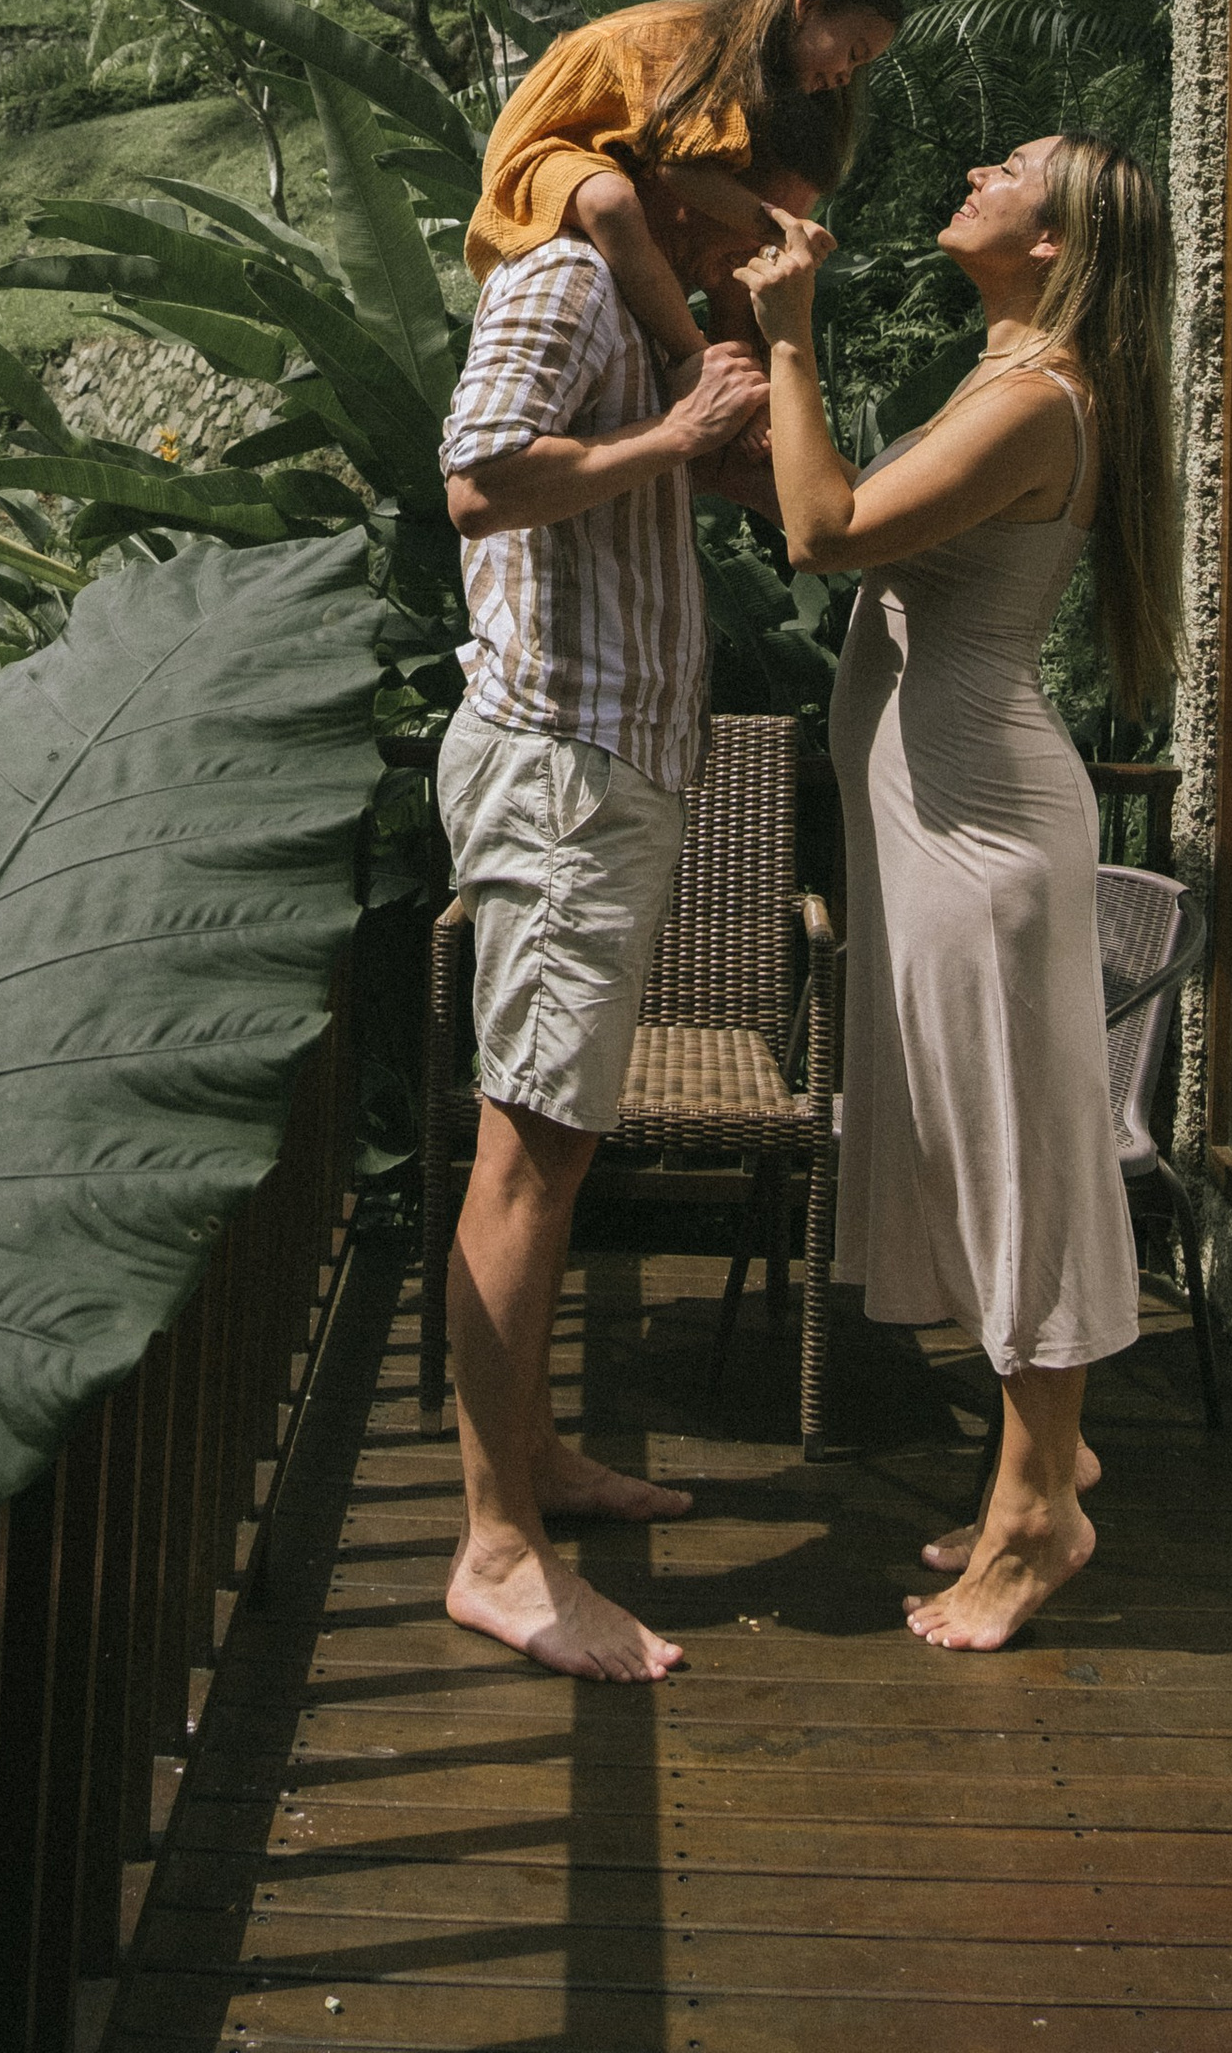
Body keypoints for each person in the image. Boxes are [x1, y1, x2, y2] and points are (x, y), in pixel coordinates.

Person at [740, 134, 1180, 1651]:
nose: (980, 169)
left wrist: (791, 336)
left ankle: (1040, 1513)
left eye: (1013, 169)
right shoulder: (1013, 377)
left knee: (1018, 1157)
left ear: (1053, 244)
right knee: (980, 1140)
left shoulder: (1038, 398)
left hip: (982, 833)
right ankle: (1036, 1458)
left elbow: (827, 531)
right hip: (946, 820)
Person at [435, 162, 795, 1681]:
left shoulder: (643, 315)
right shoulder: (565, 282)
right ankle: (497, 1553)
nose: (750, 240)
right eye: (750, 207)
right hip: (561, 766)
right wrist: (669, 432)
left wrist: (716, 405)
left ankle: (539, 1463)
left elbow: (726, 474)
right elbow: (476, 477)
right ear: (676, 175)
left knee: (557, 1139)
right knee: (531, 1147)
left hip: (612, 771)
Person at [466, 0, 903, 385]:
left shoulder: (744, 62)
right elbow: (682, 167)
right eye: (853, 54)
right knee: (610, 203)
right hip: (538, 160)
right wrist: (778, 224)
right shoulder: (694, 41)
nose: (847, 75)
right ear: (807, 4)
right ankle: (696, 358)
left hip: (604, 158)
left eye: (860, 67)